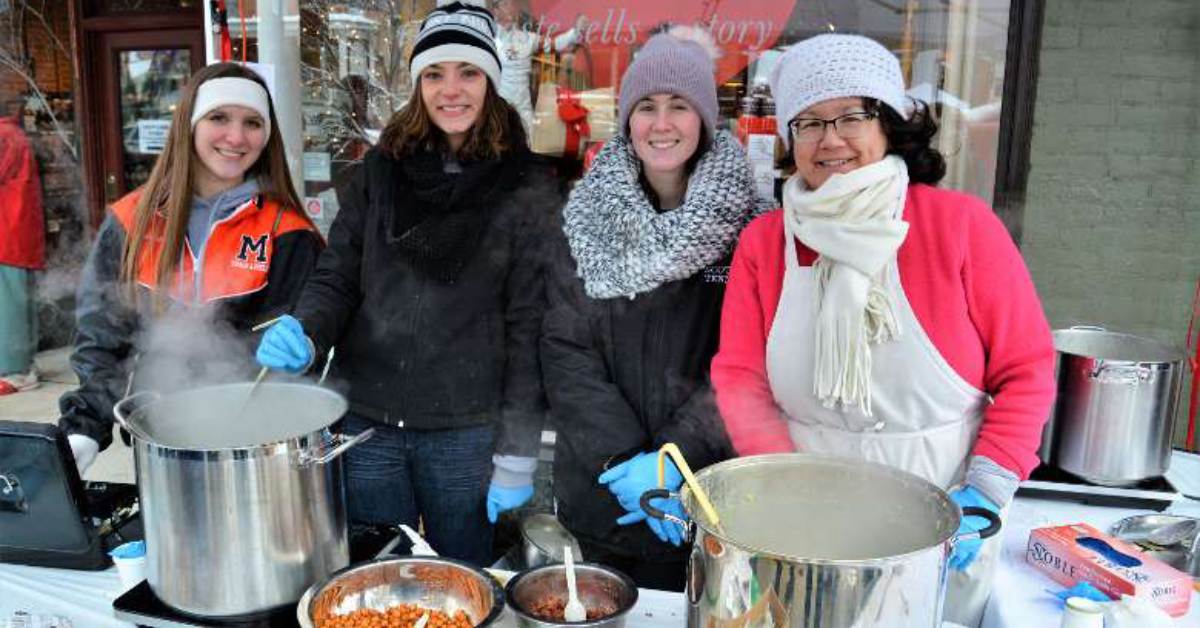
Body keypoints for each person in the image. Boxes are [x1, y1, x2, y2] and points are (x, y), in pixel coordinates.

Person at [710, 34, 1056, 626]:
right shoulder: (765, 243)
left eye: (851, 115)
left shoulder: (960, 226)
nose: (831, 139)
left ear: (889, 124)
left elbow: (1027, 369)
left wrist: (986, 492)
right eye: (809, 123)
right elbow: (739, 379)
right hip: (802, 520)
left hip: (942, 515)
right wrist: (789, 490)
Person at [255, 0, 559, 566]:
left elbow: (528, 326)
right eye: (436, 73)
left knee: (462, 581)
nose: (452, 89)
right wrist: (307, 326)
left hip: (463, 431)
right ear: (418, 82)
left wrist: (517, 452)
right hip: (366, 421)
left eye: (468, 72)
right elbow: (338, 273)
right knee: (378, 579)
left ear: (490, 82)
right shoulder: (381, 171)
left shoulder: (525, 186)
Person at [541, 28, 759, 591]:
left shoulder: (753, 229)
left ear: (705, 119)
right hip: (603, 494)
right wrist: (624, 464)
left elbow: (748, 363)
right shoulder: (584, 218)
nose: (661, 124)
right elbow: (566, 348)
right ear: (627, 119)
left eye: (679, 106)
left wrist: (672, 463)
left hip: (705, 497)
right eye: (646, 107)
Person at [58, 62, 324, 473]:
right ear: (189, 124)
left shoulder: (286, 231)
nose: (236, 137)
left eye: (252, 122)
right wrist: (84, 428)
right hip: (159, 443)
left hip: (259, 449)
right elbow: (101, 335)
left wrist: (307, 348)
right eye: (219, 117)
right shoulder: (132, 220)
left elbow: (316, 334)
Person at [0, 98, 45, 395]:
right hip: (18, 232)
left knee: (10, 306)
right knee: (19, 302)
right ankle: (24, 365)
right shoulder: (14, 134)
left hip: (7, 232)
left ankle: (16, 371)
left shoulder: (3, 136)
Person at [491, 0, 587, 135]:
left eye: (512, 3)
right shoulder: (489, 39)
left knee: (529, 145)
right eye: (505, 4)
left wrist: (575, 32)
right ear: (496, 10)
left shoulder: (528, 39)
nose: (511, 7)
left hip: (522, 109)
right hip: (498, 108)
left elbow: (555, 44)